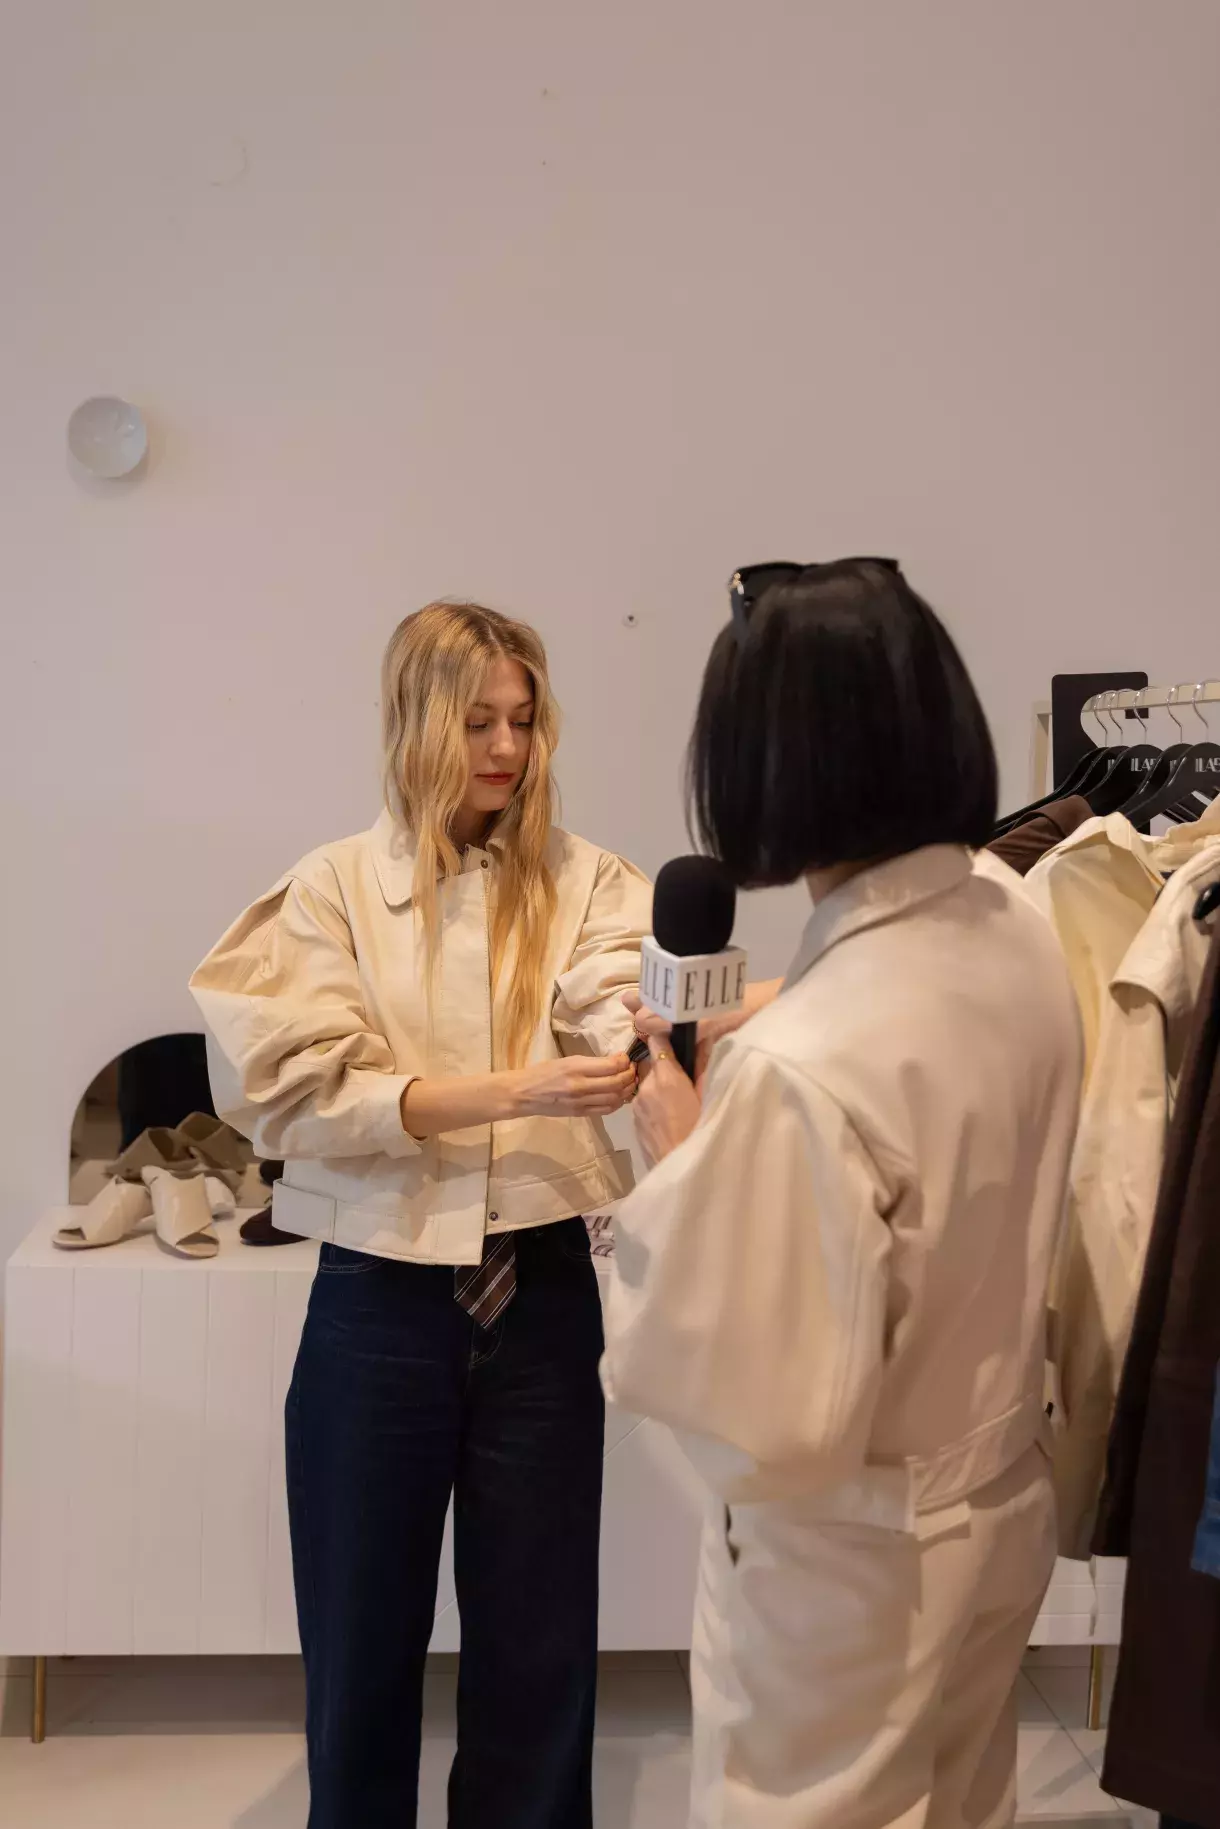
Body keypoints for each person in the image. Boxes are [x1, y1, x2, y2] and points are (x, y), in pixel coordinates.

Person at [605, 559, 1083, 1829]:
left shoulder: (799, 1066)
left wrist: (682, 1154)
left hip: (852, 1552)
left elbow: (756, 1409)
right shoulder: (1012, 922)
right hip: (998, 1487)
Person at [190, 601, 650, 1829]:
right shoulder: (331, 889)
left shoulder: (587, 880)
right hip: (379, 1292)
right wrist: (515, 1090)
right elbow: (297, 1091)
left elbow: (617, 999)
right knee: (359, 1636)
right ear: (414, 719)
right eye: (477, 719)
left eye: (523, 719)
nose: (504, 746)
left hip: (543, 1288)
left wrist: (640, 1039)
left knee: (538, 1638)